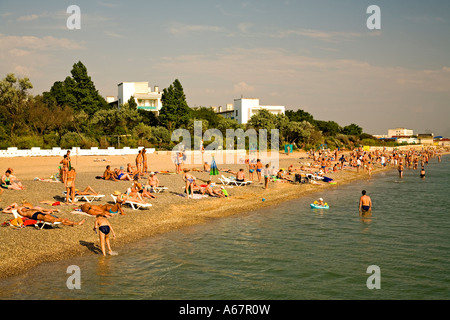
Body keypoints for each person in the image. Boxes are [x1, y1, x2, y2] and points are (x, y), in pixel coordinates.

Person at [17, 206, 85, 226]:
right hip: (35, 215)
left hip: (40, 213)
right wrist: (21, 208)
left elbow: (41, 210)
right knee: (44, 218)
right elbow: (18, 210)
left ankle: (76, 223)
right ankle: (52, 220)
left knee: (59, 219)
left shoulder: (29, 209)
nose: (24, 208)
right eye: (22, 208)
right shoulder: (24, 213)